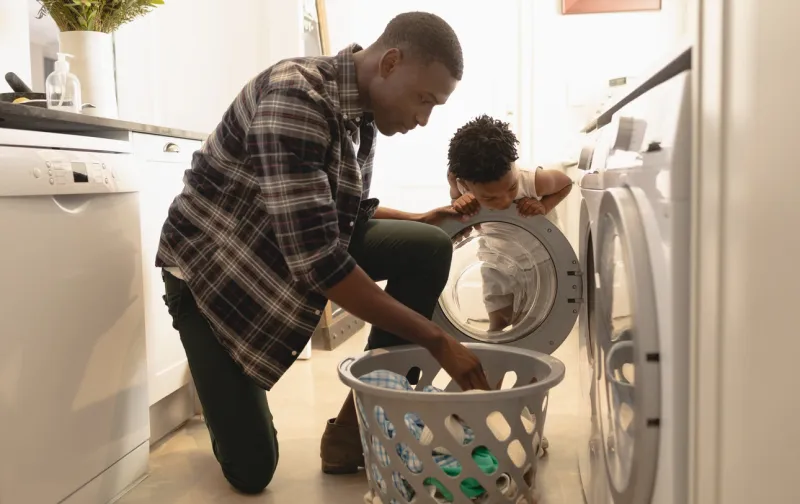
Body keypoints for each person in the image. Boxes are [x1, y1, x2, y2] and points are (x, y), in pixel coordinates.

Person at [155, 11, 491, 495]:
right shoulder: (296, 97)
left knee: (427, 248)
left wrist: (419, 221)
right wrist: (437, 340)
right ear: (391, 63)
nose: (423, 119)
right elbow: (319, 263)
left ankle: (361, 423)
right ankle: (209, 358)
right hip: (217, 278)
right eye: (424, 100)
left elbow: (341, 216)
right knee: (252, 472)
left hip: (280, 249)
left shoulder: (364, 114)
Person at [446, 115, 573, 332]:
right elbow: (455, 201)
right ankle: (494, 354)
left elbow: (565, 183)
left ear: (514, 166)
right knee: (497, 317)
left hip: (538, 261)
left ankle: (526, 356)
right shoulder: (461, 185)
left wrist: (544, 207)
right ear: (464, 184)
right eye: (490, 198)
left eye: (511, 188)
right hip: (494, 257)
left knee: (529, 323)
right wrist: (458, 201)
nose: (505, 201)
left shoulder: (532, 181)